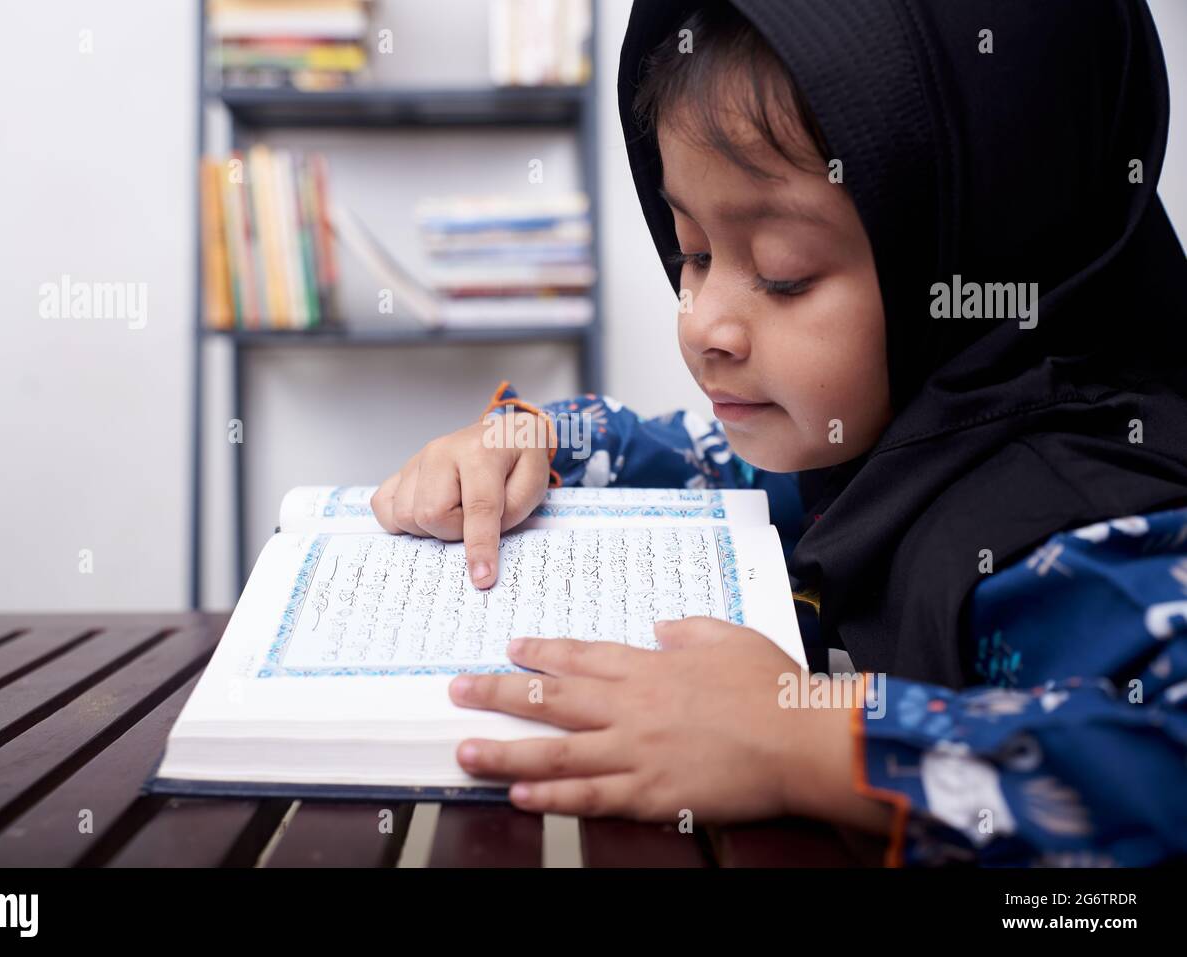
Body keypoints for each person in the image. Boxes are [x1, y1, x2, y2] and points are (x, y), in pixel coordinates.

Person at [372, 0, 1187, 866]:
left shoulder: (1089, 535)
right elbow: (692, 459)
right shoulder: (865, 449)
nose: (704, 322)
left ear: (987, 250)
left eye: (783, 273)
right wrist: (528, 439)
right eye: (692, 252)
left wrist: (812, 739)